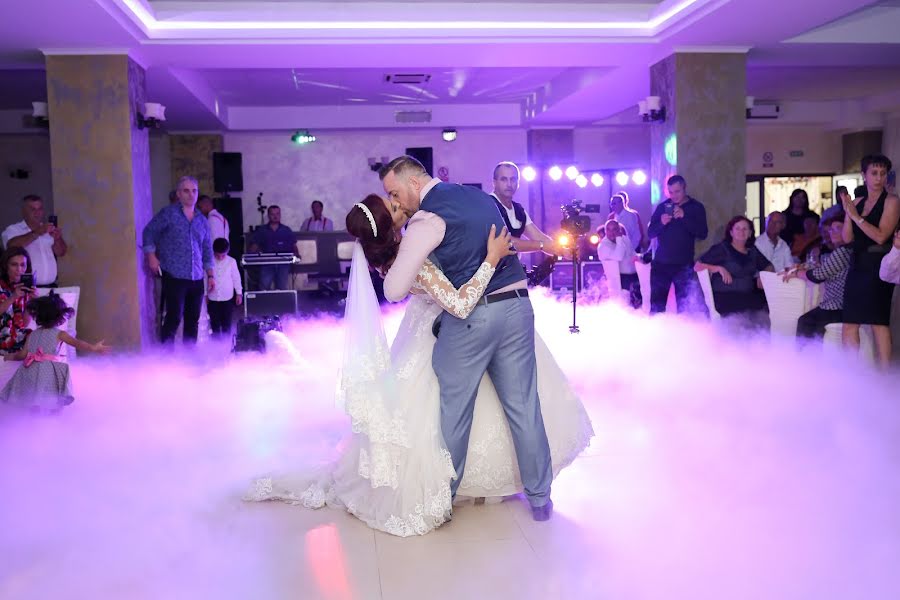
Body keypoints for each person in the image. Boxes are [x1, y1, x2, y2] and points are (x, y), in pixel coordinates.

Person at [246, 192, 592, 535]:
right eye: (394, 207)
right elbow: (459, 302)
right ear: (388, 225)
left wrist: (535, 247)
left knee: (457, 412)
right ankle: (450, 490)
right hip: (447, 331)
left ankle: (475, 484)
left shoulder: (404, 249)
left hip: (434, 332)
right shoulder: (413, 260)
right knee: (450, 415)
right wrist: (490, 259)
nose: (402, 207)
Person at [0, 294, 107, 414]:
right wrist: (93, 348)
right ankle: (54, 415)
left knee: (34, 399)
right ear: (59, 316)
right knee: (53, 398)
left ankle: (34, 417)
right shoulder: (60, 334)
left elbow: (22, 355)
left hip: (30, 370)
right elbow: (77, 343)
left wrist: (8, 356)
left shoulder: (32, 334)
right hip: (47, 372)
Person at [840, 154, 900, 367]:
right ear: (864, 175)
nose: (879, 178)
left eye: (883, 173)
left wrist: (857, 217)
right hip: (857, 264)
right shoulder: (858, 201)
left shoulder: (892, 201)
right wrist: (849, 212)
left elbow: (882, 235)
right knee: (849, 322)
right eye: (874, 173)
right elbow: (846, 238)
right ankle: (851, 372)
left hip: (879, 264)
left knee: (878, 322)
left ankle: (884, 374)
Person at [142, 175, 215, 345]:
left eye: (194, 191)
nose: (191, 195)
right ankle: (166, 358)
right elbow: (149, 232)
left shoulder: (202, 220)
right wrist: (151, 256)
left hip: (196, 277)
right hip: (174, 274)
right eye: (186, 191)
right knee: (174, 317)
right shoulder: (168, 214)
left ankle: (189, 360)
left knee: (193, 320)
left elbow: (207, 249)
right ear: (179, 194)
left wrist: (211, 275)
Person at [647, 175, 709, 315]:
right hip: (661, 265)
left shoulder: (696, 207)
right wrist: (661, 223)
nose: (674, 195)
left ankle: (682, 336)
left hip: (683, 265)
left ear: (684, 188)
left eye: (677, 191)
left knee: (684, 308)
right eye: (671, 192)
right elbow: (650, 233)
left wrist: (684, 217)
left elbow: (702, 234)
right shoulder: (663, 207)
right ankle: (657, 335)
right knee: (657, 307)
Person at [695, 216, 773, 324]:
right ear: (731, 232)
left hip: (748, 296)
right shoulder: (721, 248)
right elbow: (697, 266)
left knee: (767, 313)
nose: (741, 231)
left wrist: (763, 274)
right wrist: (717, 268)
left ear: (750, 233)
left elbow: (769, 266)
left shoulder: (753, 251)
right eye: (737, 228)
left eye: (745, 229)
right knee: (746, 319)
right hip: (725, 298)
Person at [785, 215, 852, 341]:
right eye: (831, 229)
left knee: (806, 321)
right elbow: (819, 265)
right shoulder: (841, 250)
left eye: (838, 228)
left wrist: (796, 274)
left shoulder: (843, 251)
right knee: (806, 320)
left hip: (838, 307)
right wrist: (799, 268)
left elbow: (818, 275)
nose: (832, 232)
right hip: (837, 305)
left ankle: (808, 357)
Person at [490, 162, 557, 255]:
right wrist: (541, 245)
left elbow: (539, 237)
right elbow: (506, 242)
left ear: (518, 183)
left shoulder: (518, 210)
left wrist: (564, 251)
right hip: (491, 268)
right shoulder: (488, 205)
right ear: (494, 182)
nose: (509, 184)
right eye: (504, 179)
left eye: (513, 179)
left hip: (512, 268)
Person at [1, 194, 68, 287]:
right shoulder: (13, 230)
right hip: (26, 288)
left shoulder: (47, 229)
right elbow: (11, 247)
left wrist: (57, 239)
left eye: (40, 209)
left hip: (50, 287)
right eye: (33, 209)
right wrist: (37, 233)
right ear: (24, 211)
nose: (37, 213)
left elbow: (61, 252)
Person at [249, 206, 299, 290]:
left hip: (283, 264)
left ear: (280, 215)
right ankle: (265, 303)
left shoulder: (286, 230)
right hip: (266, 263)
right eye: (272, 214)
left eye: (277, 214)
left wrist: (297, 254)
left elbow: (294, 245)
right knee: (264, 287)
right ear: (268, 215)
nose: (275, 216)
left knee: (282, 288)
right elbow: (254, 246)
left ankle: (281, 303)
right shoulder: (262, 230)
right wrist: (251, 257)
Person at [596, 219, 641, 308]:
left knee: (637, 304)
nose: (611, 232)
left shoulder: (624, 239)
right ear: (605, 231)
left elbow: (632, 254)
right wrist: (619, 239)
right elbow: (619, 256)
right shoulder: (603, 246)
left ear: (619, 230)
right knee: (624, 305)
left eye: (614, 229)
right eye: (608, 229)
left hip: (634, 276)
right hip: (619, 279)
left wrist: (641, 258)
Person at [0, 247, 36, 355]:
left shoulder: (24, 288)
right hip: (2, 336)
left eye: (22, 265)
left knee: (41, 339)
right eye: (14, 264)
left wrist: (31, 301)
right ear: (6, 266)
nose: (19, 269)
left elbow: (24, 324)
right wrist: (13, 297)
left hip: (17, 337)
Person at [207, 238, 242, 338]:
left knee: (226, 323)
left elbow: (236, 278)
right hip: (212, 297)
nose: (220, 258)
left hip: (227, 297)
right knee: (214, 323)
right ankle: (216, 344)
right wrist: (205, 294)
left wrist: (239, 293)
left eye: (223, 255)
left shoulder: (231, 261)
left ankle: (226, 344)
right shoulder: (209, 262)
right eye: (218, 255)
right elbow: (205, 278)